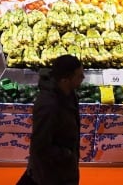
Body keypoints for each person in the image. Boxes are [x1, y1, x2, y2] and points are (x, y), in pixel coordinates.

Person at [18, 54, 84, 185]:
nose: (83, 78)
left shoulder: (69, 94)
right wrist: (66, 154)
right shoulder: (49, 105)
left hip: (64, 169)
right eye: (79, 76)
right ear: (65, 80)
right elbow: (40, 146)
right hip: (50, 174)